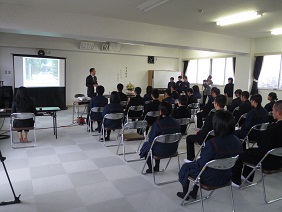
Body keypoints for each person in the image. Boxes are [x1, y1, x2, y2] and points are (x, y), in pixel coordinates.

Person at [177, 110, 243, 200]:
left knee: (186, 167)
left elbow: (201, 164)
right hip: (227, 175)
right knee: (198, 167)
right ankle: (193, 192)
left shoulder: (212, 143)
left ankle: (186, 193)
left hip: (210, 178)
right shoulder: (237, 141)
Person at [232, 100, 282, 187]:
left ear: (278, 113)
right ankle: (247, 177)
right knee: (250, 150)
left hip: (269, 161)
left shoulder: (273, 130)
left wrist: (249, 151)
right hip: (279, 160)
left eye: (273, 110)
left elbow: (261, 150)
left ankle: (236, 181)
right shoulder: (274, 126)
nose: (272, 112)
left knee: (240, 154)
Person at [139, 102, 181, 173]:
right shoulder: (176, 122)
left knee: (147, 145)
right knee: (157, 144)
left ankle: (150, 168)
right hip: (173, 149)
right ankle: (157, 166)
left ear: (160, 111)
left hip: (160, 150)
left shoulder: (158, 124)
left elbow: (151, 139)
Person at [186, 94, 226, 161]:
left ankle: (190, 160)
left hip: (209, 139)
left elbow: (204, 133)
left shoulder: (211, 117)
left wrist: (198, 133)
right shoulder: (229, 116)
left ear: (215, 103)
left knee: (189, 138)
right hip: (223, 139)